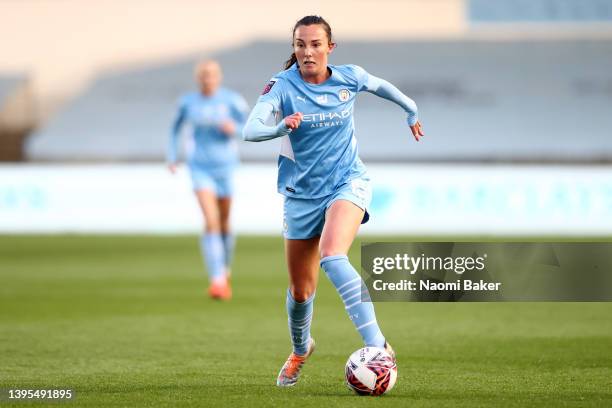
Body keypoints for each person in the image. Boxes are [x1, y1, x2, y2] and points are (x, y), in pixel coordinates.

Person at [242, 15, 424, 387]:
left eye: (314, 44)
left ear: (330, 47)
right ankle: (300, 348)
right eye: (300, 44)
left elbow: (381, 86)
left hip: (347, 182)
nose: (307, 52)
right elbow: (250, 129)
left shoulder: (349, 77)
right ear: (293, 48)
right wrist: (279, 127)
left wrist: (411, 109)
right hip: (300, 195)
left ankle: (378, 345)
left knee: (333, 254)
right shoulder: (281, 86)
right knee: (300, 290)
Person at [167, 60, 249, 301]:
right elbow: (174, 129)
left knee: (224, 222)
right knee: (211, 220)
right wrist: (173, 156)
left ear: (219, 77)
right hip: (199, 168)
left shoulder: (232, 100)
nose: (207, 78)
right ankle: (217, 280)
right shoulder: (187, 103)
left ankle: (224, 270)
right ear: (197, 78)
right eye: (203, 74)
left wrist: (232, 128)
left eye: (211, 74)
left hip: (226, 167)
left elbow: (251, 127)